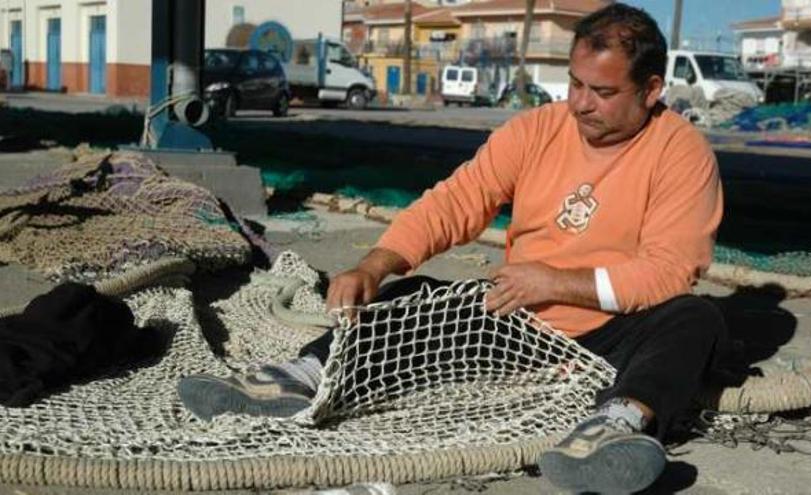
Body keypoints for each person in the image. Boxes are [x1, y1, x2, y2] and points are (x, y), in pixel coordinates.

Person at [179, 3, 726, 493]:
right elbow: (457, 201)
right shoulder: (537, 128)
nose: (580, 104)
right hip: (515, 315)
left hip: (612, 329)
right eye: (575, 84)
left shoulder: (682, 152)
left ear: (651, 90)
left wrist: (554, 283)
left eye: (602, 93)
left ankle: (616, 427)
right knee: (413, 293)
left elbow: (669, 272)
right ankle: (301, 375)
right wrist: (376, 262)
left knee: (693, 319)